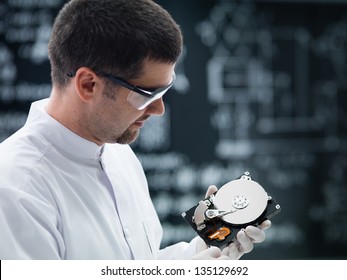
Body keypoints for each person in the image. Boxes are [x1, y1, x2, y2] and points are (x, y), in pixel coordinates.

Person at [0, 0, 271, 260]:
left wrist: (205, 248)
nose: (159, 110)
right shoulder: (15, 189)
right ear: (88, 85)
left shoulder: (119, 156)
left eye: (165, 89)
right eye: (146, 94)